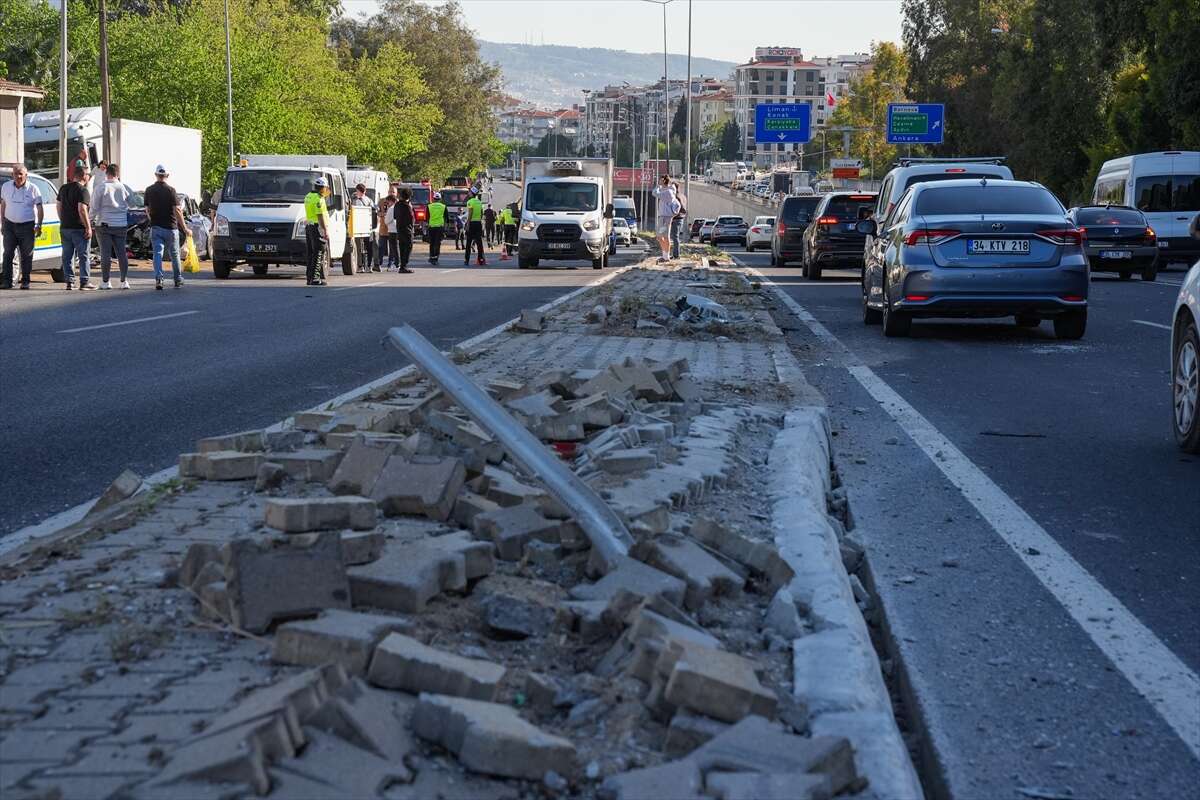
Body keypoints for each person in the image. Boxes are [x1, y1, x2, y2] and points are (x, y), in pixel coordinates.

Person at [144, 164, 189, 290]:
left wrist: (151, 219)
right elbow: (177, 210)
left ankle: (159, 279)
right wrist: (184, 227)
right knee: (174, 254)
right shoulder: (171, 190)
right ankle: (178, 279)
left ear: (156, 175)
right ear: (167, 175)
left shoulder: (149, 190)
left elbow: (147, 209)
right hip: (171, 227)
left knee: (157, 254)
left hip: (156, 227)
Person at [1, 164, 44, 290]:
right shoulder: (6, 187)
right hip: (9, 225)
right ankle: (7, 281)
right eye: (16, 174)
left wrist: (39, 225)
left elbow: (39, 208)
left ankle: (25, 281)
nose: (18, 176)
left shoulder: (33, 188)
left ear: (26, 175)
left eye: (21, 174)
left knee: (27, 255)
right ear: (12, 175)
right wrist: (3, 223)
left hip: (27, 226)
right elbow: (3, 204)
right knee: (8, 254)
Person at [91, 162, 132, 289]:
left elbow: (94, 207)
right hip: (121, 224)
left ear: (106, 173)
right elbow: (131, 203)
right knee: (121, 253)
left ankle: (105, 282)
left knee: (105, 254)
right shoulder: (124, 187)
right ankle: (124, 281)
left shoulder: (101, 187)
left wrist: (89, 220)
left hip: (104, 224)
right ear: (117, 174)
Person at [58, 163, 94, 290]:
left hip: (65, 227)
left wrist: (62, 219)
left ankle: (70, 282)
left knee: (67, 256)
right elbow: (82, 209)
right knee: (84, 255)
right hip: (79, 228)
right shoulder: (83, 190)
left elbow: (58, 206)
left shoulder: (63, 188)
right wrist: (88, 227)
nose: (89, 178)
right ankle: (84, 282)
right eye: (88, 175)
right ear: (84, 176)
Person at [303, 177, 331, 286]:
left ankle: (309, 277)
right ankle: (315, 278)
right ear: (322, 188)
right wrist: (325, 230)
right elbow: (320, 216)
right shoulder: (319, 199)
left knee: (310, 253)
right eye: (326, 188)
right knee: (319, 252)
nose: (326, 190)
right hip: (317, 227)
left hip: (309, 226)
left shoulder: (308, 196)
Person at [350, 183, 378, 272]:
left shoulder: (367, 200)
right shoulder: (354, 200)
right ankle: (361, 265)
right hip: (358, 227)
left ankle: (368, 265)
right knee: (359, 247)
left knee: (368, 246)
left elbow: (374, 210)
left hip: (366, 227)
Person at [651, 175, 678, 263]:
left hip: (665, 217)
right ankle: (665, 256)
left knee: (662, 237)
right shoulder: (669, 190)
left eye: (660, 180)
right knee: (663, 237)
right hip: (665, 217)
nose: (658, 181)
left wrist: (658, 186)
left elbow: (654, 193)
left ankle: (666, 257)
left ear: (663, 180)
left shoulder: (668, 192)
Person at [392, 186, 415, 274]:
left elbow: (394, 216)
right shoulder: (407, 206)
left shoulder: (397, 205)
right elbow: (411, 218)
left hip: (399, 228)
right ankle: (404, 265)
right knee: (408, 247)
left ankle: (402, 266)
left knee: (402, 247)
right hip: (407, 229)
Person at [377, 184, 398, 269]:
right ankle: (379, 262)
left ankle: (390, 263)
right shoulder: (382, 201)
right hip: (383, 228)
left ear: (396, 193)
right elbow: (377, 212)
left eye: (393, 192)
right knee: (381, 246)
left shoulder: (398, 203)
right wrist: (384, 214)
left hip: (393, 229)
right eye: (390, 191)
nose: (391, 193)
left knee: (393, 247)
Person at [464, 187, 486, 266]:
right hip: (478, 223)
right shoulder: (479, 202)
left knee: (468, 242)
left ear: (472, 194)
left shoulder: (470, 202)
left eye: (470, 192)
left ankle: (467, 260)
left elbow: (470, 213)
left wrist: (468, 224)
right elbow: (481, 213)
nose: (468, 193)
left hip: (472, 223)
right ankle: (481, 259)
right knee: (479, 243)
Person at [427, 191, 447, 265]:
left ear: (433, 198)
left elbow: (427, 218)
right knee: (438, 243)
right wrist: (445, 228)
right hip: (440, 227)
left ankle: (431, 257)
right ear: (440, 199)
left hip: (431, 227)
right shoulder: (443, 206)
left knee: (432, 243)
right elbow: (446, 218)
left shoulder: (429, 206)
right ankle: (436, 258)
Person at [670, 181, 688, 260]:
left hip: (676, 218)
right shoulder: (683, 196)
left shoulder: (676, 197)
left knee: (675, 237)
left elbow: (676, 208)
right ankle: (675, 254)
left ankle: (676, 255)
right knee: (675, 236)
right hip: (681, 218)